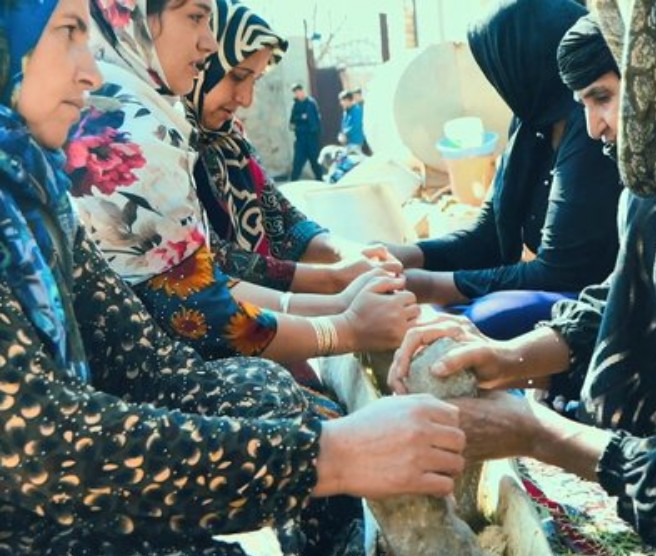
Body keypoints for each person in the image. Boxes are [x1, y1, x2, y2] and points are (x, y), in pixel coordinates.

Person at [0, 1, 467, 556]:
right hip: (29, 519)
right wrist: (328, 445)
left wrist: (342, 281)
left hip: (80, 459)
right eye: (67, 31)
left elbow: (152, 351)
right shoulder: (124, 125)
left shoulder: (32, 185)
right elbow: (52, 444)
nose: (90, 71)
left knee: (270, 394)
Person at [391, 0, 656, 556]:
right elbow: (617, 295)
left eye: (610, 92)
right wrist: (512, 357)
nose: (594, 127)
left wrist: (538, 434)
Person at [66, 0, 418, 370]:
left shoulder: (187, 126)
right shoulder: (130, 128)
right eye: (196, 17)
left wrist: (342, 278)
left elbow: (279, 223)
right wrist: (343, 323)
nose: (209, 43)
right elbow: (200, 302)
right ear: (133, 16)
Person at [384, 0, 622, 341]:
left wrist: (427, 283)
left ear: (528, 59)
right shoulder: (531, 125)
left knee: (482, 317)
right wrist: (408, 256)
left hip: (591, 299)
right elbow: (489, 235)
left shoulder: (594, 133)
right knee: (439, 313)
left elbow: (558, 272)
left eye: (499, 64)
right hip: (551, 286)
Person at [185, 1, 402, 301]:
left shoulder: (231, 140)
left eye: (254, 80)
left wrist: (345, 250)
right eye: (236, 75)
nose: (246, 98)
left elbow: (280, 218)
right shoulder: (166, 143)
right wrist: (331, 281)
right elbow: (206, 261)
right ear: (203, 59)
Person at [289, 82, 324, 181]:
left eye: (299, 91)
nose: (297, 94)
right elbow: (292, 123)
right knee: (297, 164)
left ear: (302, 91)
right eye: (295, 92)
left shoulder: (311, 103)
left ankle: (320, 182)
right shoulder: (295, 105)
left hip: (312, 139)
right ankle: (292, 184)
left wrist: (317, 135)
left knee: (316, 163)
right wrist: (302, 117)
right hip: (300, 139)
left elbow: (315, 121)